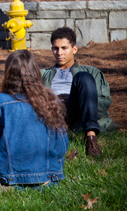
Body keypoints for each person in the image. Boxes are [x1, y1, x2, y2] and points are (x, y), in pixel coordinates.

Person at [0, 50, 69, 187]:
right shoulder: (50, 99)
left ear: (8, 73)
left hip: (9, 176)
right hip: (49, 177)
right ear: (35, 72)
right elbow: (62, 145)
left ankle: (16, 186)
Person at [41, 27, 118, 157]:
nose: (59, 53)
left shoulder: (91, 72)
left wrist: (79, 101)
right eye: (55, 48)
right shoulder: (42, 74)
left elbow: (103, 104)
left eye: (64, 48)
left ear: (74, 49)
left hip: (77, 115)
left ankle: (91, 139)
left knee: (83, 77)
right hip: (53, 114)